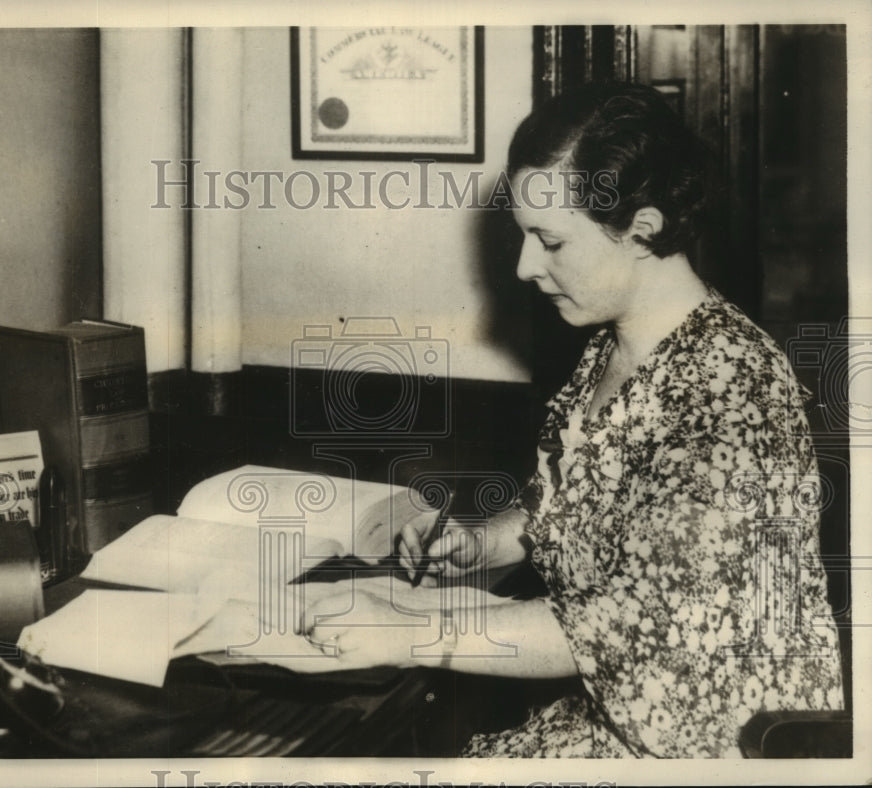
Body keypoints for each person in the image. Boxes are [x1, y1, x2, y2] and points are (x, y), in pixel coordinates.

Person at [298, 82, 844, 757]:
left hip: (706, 750)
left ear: (642, 229)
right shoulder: (612, 349)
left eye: (550, 241)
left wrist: (407, 632)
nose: (526, 266)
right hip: (614, 715)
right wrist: (482, 544)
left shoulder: (731, 391)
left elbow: (624, 627)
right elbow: (566, 506)